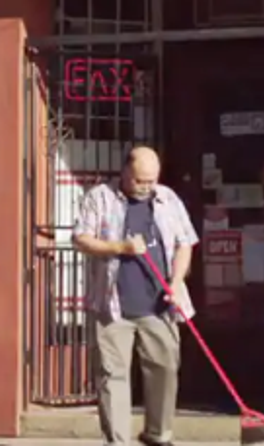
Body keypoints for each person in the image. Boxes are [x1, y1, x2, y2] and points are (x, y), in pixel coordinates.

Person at [74, 146, 199, 446]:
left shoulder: (168, 198)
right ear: (125, 172)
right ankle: (118, 441)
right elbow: (81, 238)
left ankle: (158, 435)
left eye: (151, 180)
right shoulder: (100, 197)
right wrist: (121, 247)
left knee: (165, 369)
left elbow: (185, 243)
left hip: (160, 304)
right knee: (112, 376)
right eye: (140, 180)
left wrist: (176, 281)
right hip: (113, 306)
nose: (146, 186)